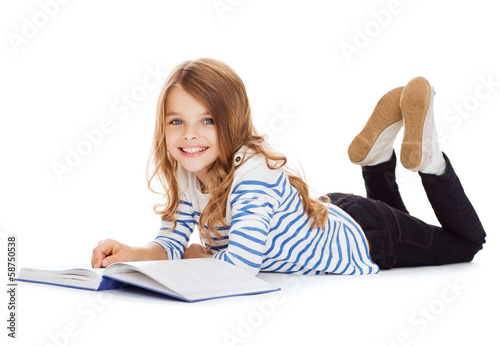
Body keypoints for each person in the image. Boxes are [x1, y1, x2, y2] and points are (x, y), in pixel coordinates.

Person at [91, 58, 486, 275]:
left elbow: (239, 270)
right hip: (335, 214)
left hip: (366, 238)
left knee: (468, 245)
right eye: (177, 121)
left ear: (234, 121)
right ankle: (376, 160)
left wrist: (201, 258)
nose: (188, 135)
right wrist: (133, 252)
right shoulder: (190, 169)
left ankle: (430, 160)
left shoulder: (253, 178)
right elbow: (172, 243)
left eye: (207, 120)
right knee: (404, 224)